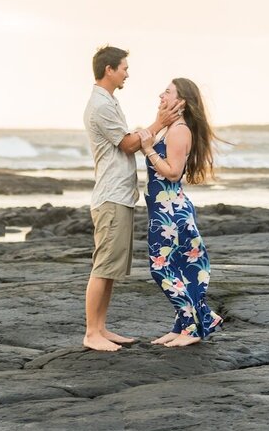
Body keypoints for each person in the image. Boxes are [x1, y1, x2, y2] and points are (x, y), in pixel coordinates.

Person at [82, 46, 183, 352]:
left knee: (111, 267)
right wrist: (159, 123)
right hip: (111, 196)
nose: (128, 72)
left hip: (119, 195)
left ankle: (101, 328)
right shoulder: (100, 105)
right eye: (124, 67)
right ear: (109, 69)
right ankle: (91, 333)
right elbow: (127, 145)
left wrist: (154, 127)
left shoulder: (109, 101)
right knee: (103, 266)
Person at [135, 78, 225, 347]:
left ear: (182, 101)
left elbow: (173, 172)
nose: (161, 93)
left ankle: (196, 326)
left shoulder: (179, 131)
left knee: (161, 269)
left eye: (168, 91)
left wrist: (148, 149)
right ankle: (187, 324)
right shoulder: (171, 128)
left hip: (170, 212)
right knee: (178, 268)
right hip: (166, 209)